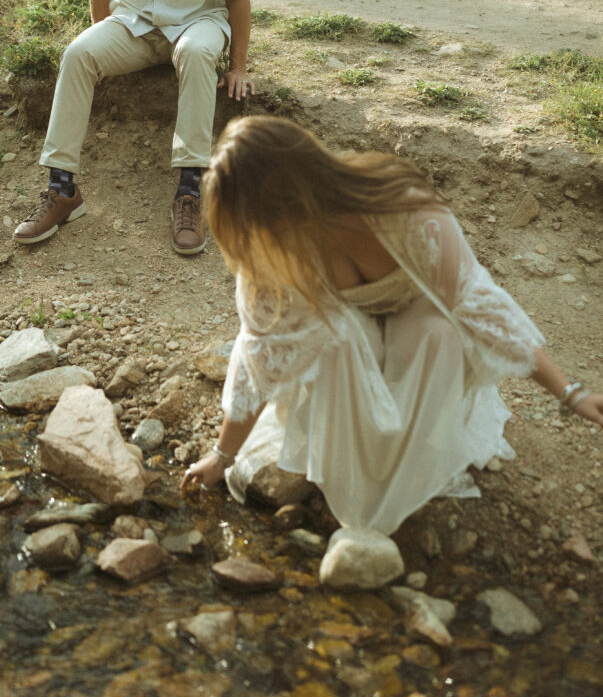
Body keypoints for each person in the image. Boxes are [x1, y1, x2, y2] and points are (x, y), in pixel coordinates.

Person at [182, 117, 603, 535]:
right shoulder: (273, 253)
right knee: (334, 337)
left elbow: (479, 306)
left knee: (441, 333)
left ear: (287, 197)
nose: (254, 236)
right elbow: (261, 355)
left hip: (420, 328)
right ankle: (352, 475)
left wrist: (569, 392)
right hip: (348, 352)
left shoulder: (403, 206)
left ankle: (413, 465)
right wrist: (223, 456)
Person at [13, 0, 254, 254]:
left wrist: (237, 65)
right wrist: (101, 47)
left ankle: (190, 192)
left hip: (199, 21)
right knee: (78, 53)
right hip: (136, 25)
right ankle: (62, 189)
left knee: (197, 54)